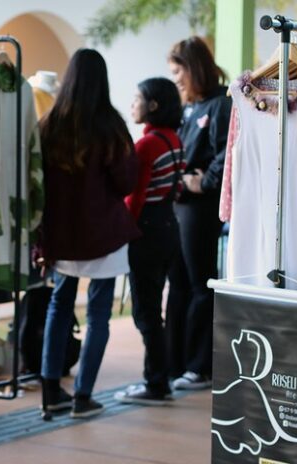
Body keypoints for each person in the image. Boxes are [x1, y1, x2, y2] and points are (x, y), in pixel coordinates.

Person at [38, 48, 140, 418]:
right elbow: (127, 181)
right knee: (98, 314)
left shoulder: (49, 125)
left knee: (59, 306)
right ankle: (83, 397)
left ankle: (51, 391)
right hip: (103, 235)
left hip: (61, 235)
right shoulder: (110, 126)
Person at [166, 36, 232, 390]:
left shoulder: (221, 104)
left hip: (200, 209)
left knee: (199, 283)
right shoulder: (188, 108)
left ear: (193, 69)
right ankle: (174, 362)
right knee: (177, 283)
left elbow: (227, 154)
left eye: (178, 72)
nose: (176, 79)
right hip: (178, 206)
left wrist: (204, 183)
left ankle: (199, 366)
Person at [115, 78, 185, 405]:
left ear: (153, 105)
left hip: (146, 233)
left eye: (137, 98)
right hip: (169, 227)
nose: (132, 104)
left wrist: (121, 232)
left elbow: (135, 197)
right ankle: (161, 378)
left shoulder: (146, 145)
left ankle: (155, 383)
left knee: (146, 312)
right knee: (154, 308)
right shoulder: (173, 139)